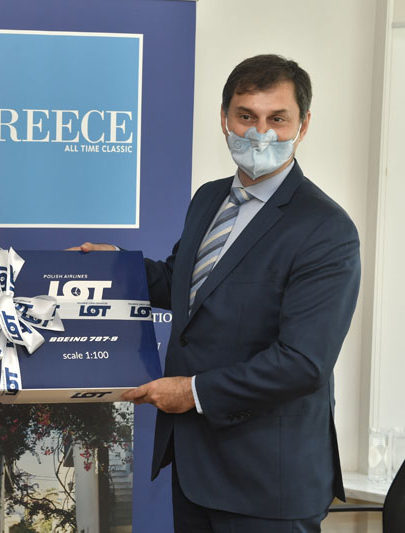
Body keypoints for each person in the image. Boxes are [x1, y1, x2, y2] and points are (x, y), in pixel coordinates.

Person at [76, 55, 361, 532]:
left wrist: (191, 392)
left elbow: (303, 362)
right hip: (195, 468)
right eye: (246, 115)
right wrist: (116, 266)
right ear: (224, 118)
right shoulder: (209, 198)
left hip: (268, 483)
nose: (260, 133)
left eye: (277, 119)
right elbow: (185, 285)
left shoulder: (326, 229)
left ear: (303, 125)